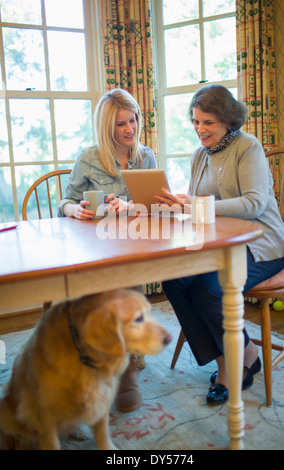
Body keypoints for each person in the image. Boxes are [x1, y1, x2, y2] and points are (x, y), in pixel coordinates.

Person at [155, 84, 284, 405]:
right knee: (174, 280)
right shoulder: (199, 156)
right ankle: (238, 357)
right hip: (222, 245)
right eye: (195, 122)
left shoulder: (248, 147)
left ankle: (233, 370)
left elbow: (255, 204)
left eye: (208, 122)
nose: (199, 130)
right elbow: (198, 209)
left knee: (210, 290)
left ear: (227, 120)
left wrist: (195, 205)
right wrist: (175, 206)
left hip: (263, 244)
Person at [58, 88, 157, 412]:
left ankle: (127, 351)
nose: (130, 129)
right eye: (121, 124)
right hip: (95, 244)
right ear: (106, 127)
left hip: (134, 242)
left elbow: (157, 208)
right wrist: (74, 210)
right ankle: (114, 351)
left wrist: (132, 206)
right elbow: (66, 201)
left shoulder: (146, 157)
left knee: (129, 280)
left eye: (133, 120)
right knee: (104, 291)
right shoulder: (88, 158)